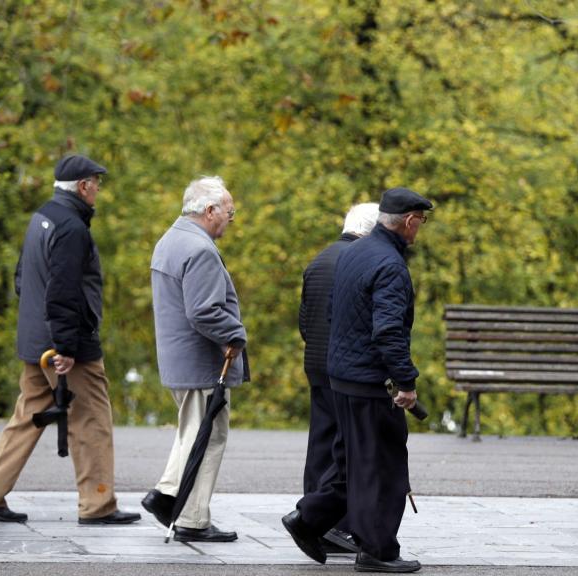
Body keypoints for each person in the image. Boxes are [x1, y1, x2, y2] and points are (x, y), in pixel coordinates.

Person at [0, 154, 141, 525]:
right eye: (96, 182)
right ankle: (98, 504)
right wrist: (66, 346)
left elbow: (21, 278)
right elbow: (63, 291)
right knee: (91, 419)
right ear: (82, 186)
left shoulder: (42, 217)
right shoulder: (72, 229)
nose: (98, 189)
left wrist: (41, 332)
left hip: (35, 338)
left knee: (28, 416)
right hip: (65, 345)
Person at [282, 187, 432, 574]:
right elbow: (388, 332)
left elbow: (333, 314)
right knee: (384, 466)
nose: (421, 230)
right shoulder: (391, 266)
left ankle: (308, 520)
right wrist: (406, 382)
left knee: (351, 464)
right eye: (422, 221)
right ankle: (378, 551)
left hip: (341, 379)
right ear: (410, 221)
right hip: (369, 383)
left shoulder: (353, 254)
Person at [141, 176, 248, 543]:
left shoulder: (170, 240)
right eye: (229, 212)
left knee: (192, 432)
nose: (230, 219)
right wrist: (235, 334)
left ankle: (168, 495)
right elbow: (203, 311)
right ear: (210, 210)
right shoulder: (199, 249)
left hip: (178, 359)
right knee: (209, 436)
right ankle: (191, 516)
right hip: (201, 362)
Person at [298, 202, 380, 555]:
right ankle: (332, 525)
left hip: (316, 363)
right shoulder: (358, 262)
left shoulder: (319, 259)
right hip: (344, 370)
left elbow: (304, 318)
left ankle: (313, 520)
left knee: (320, 445)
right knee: (346, 449)